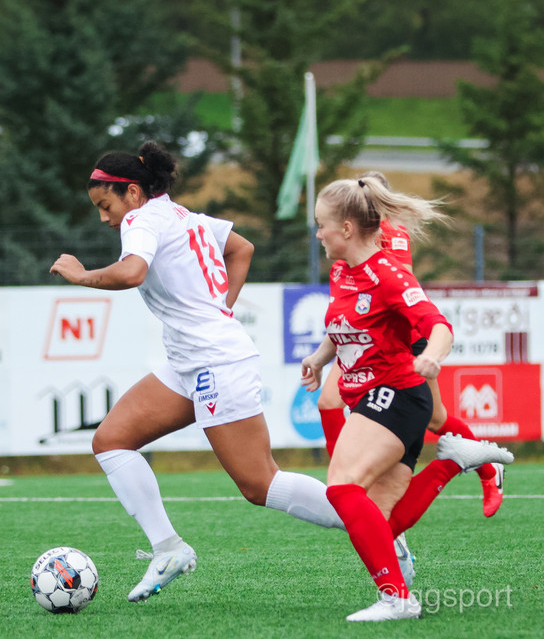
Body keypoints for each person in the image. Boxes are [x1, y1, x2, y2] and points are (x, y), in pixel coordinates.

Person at [49, 141, 349, 603]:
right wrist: (219, 310)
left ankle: (375, 524)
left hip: (215, 361)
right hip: (190, 361)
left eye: (105, 205)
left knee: (260, 484)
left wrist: (81, 274)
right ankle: (168, 548)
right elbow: (242, 248)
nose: (105, 218)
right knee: (111, 440)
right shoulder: (181, 215)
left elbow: (132, 273)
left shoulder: (141, 220)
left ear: (132, 193)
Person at [301, 176, 514, 622]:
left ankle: (397, 599)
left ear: (346, 228)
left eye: (321, 225)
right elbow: (343, 327)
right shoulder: (341, 271)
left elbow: (438, 325)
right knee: (382, 521)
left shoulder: (388, 273)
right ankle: (451, 462)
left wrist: (432, 356)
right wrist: (319, 359)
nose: (317, 234)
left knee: (342, 487)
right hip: (376, 396)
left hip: (395, 393)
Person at [317, 171, 504, 519]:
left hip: (395, 338)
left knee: (436, 418)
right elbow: (351, 308)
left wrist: (428, 351)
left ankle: (487, 469)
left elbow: (390, 298)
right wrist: (318, 356)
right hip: (365, 339)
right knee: (329, 402)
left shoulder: (389, 235)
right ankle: (352, 486)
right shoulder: (347, 253)